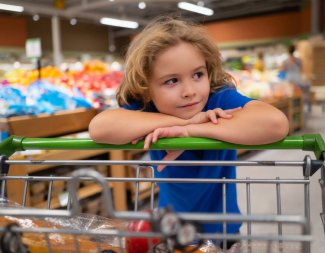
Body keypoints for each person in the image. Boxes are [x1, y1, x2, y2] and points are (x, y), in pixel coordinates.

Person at [89, 16, 289, 248]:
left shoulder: (218, 98)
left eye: (197, 75)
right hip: (172, 230)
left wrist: (189, 130)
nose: (189, 91)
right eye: (172, 81)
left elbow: (275, 123)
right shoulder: (147, 108)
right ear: (146, 89)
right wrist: (182, 122)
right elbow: (99, 128)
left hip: (223, 231)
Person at [281, 44, 311, 112]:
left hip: (289, 80)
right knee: (298, 95)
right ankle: (299, 109)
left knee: (290, 96)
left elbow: (282, 71)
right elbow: (301, 69)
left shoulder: (285, 61)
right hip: (297, 79)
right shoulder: (298, 60)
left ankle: (291, 110)